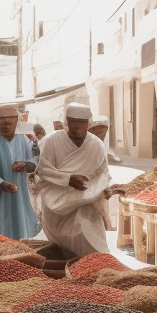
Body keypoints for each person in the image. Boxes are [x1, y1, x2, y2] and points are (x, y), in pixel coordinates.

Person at [35, 103, 112, 257]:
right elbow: (43, 169)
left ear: (88, 123)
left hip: (86, 199)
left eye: (82, 122)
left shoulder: (96, 144)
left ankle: (92, 270)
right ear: (67, 121)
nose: (77, 127)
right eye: (73, 121)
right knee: (62, 248)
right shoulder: (52, 140)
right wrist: (67, 179)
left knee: (90, 239)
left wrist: (101, 189)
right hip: (56, 199)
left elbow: (103, 173)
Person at [0, 105, 39, 240]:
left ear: (16, 121)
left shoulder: (25, 141)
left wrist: (25, 165)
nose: (6, 125)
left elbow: (33, 164)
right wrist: (1, 183)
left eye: (9, 122)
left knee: (20, 223)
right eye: (2, 122)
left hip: (20, 193)